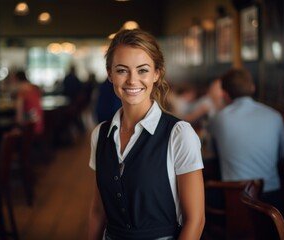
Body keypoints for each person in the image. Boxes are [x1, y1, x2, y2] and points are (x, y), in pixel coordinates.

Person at [88, 29, 205, 240]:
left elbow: (195, 220)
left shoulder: (179, 134)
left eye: (142, 70)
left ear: (157, 73)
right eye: (122, 70)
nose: (133, 80)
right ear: (109, 74)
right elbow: (98, 211)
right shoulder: (100, 134)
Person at [208, 68, 284, 208]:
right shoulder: (275, 116)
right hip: (271, 198)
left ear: (225, 94)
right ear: (252, 88)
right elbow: (283, 153)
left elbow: (212, 152)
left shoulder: (219, 118)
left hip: (234, 196)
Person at [13, 70, 44, 136]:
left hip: (29, 130)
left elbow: (19, 118)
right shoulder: (35, 89)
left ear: (17, 80)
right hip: (39, 126)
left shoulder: (22, 93)